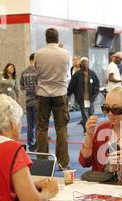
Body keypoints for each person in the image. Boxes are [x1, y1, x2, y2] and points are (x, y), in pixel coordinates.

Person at [34, 28, 71, 170]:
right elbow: (66, 72)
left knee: (42, 128)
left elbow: (37, 72)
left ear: (46, 38)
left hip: (43, 94)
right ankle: (62, 163)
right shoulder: (65, 53)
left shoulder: (38, 53)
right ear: (57, 38)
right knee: (61, 128)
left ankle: (43, 162)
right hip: (60, 94)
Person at [67, 57, 100, 134]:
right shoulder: (77, 74)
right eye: (83, 62)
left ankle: (90, 128)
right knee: (85, 115)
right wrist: (68, 95)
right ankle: (86, 130)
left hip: (90, 99)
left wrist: (95, 94)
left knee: (91, 114)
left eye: (86, 62)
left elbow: (97, 85)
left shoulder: (92, 74)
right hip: (81, 99)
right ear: (81, 64)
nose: (85, 64)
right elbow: (72, 85)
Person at [20, 53, 39, 152]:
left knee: (30, 125)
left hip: (28, 100)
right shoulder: (38, 71)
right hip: (37, 100)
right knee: (38, 124)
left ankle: (30, 143)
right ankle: (37, 143)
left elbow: (21, 87)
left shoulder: (24, 72)